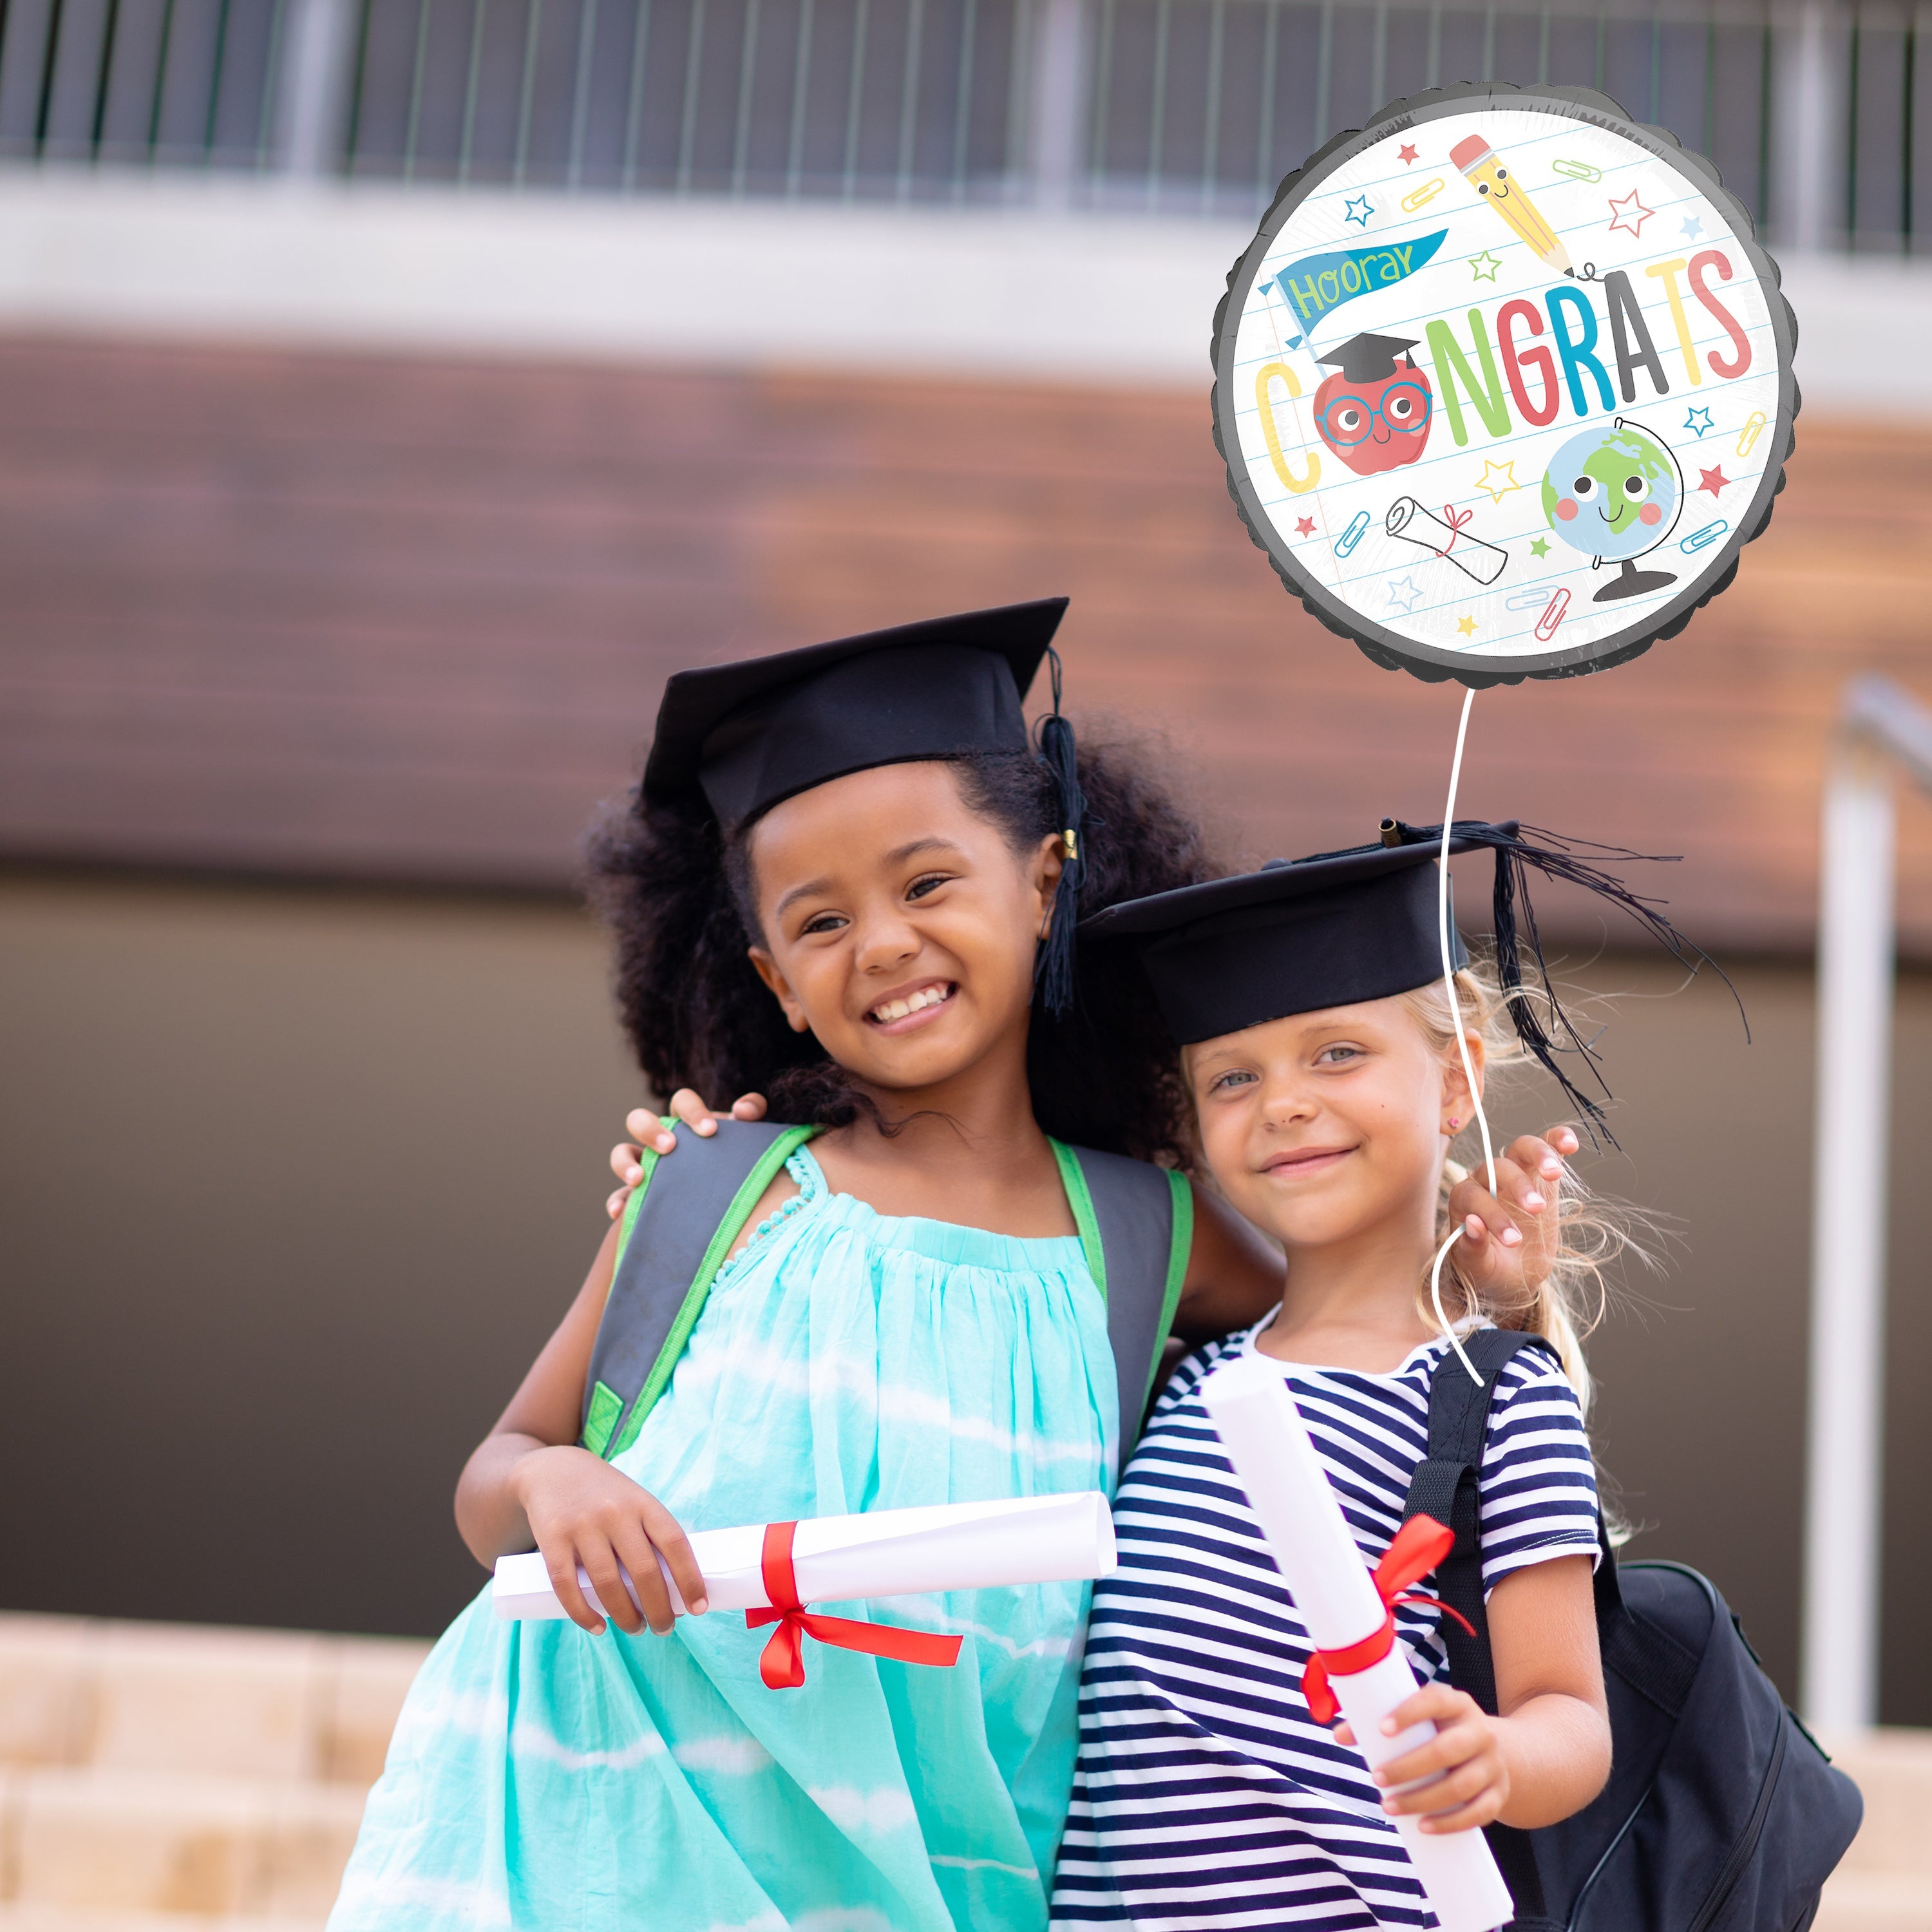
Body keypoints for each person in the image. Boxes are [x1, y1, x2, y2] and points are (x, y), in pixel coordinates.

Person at [329, 602, 1571, 1932]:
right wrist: (556, 1477)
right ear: (776, 979)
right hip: (594, 1845)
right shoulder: (715, 1188)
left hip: (941, 1880)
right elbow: (497, 1473)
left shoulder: (1147, 1238)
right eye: (820, 923)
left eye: (927, 885)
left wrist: (1491, 1288)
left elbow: (1363, 1384)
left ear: (1045, 883)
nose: (882, 945)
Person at [1049, 823, 1672, 1930]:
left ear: (1457, 1073)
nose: (1284, 1102)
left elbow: (1569, 1716)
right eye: (1233, 1076)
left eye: (1337, 1053)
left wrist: (1496, 1756)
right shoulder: (1175, 1381)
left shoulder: (1495, 1399)